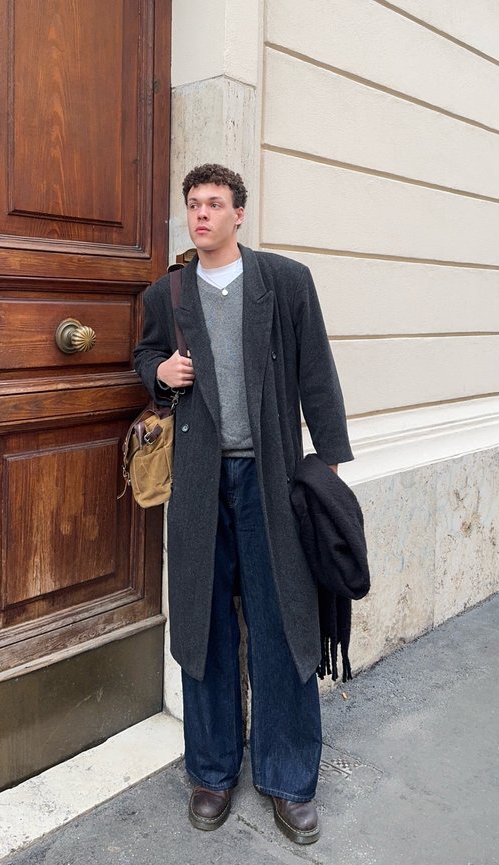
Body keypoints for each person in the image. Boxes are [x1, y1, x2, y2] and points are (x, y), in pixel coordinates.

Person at [134, 164, 353, 845]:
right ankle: (211, 771)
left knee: (285, 620)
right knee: (203, 623)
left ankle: (290, 778)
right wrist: (160, 372)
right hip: (199, 484)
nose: (201, 214)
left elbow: (316, 367)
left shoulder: (283, 282)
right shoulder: (165, 293)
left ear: (238, 215)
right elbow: (143, 356)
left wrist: (331, 462)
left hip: (271, 480)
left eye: (214, 204)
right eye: (193, 204)